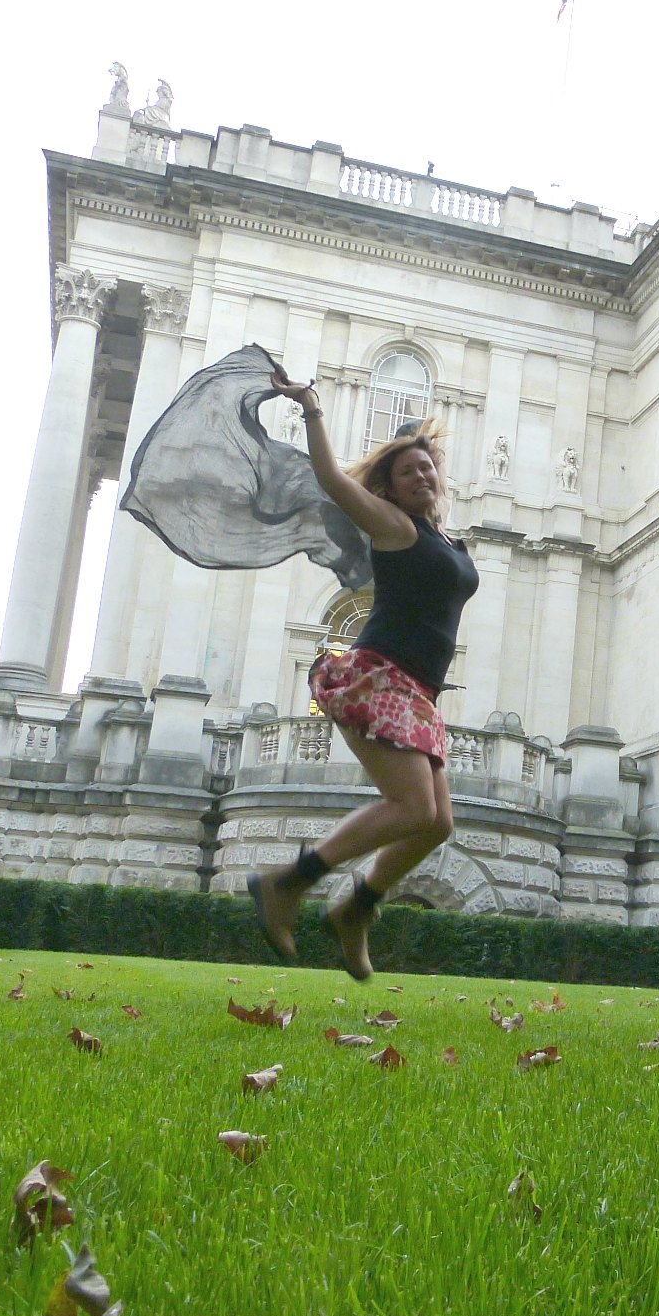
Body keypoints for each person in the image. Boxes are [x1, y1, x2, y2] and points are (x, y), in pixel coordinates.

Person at [246, 369, 478, 981]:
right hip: (382, 676)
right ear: (389, 488)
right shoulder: (394, 527)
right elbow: (330, 479)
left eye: (427, 467)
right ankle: (287, 883)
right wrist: (312, 409)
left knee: (437, 823)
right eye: (407, 472)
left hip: (418, 691)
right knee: (411, 807)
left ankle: (357, 906)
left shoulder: (442, 537)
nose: (420, 476)